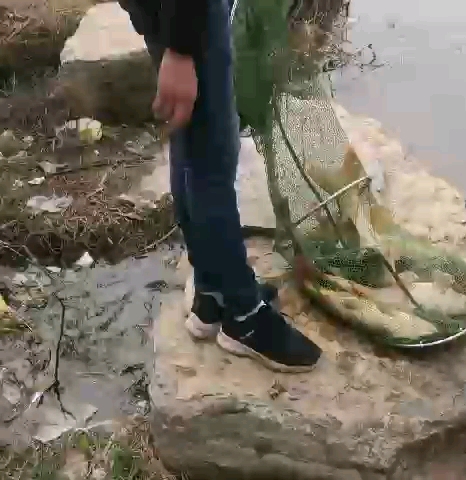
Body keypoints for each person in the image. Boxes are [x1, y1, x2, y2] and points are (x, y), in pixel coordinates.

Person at [118, 0, 322, 372]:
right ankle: (244, 315)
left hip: (166, 13)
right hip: (190, 14)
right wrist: (181, 49)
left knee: (192, 144)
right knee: (212, 159)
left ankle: (211, 294)